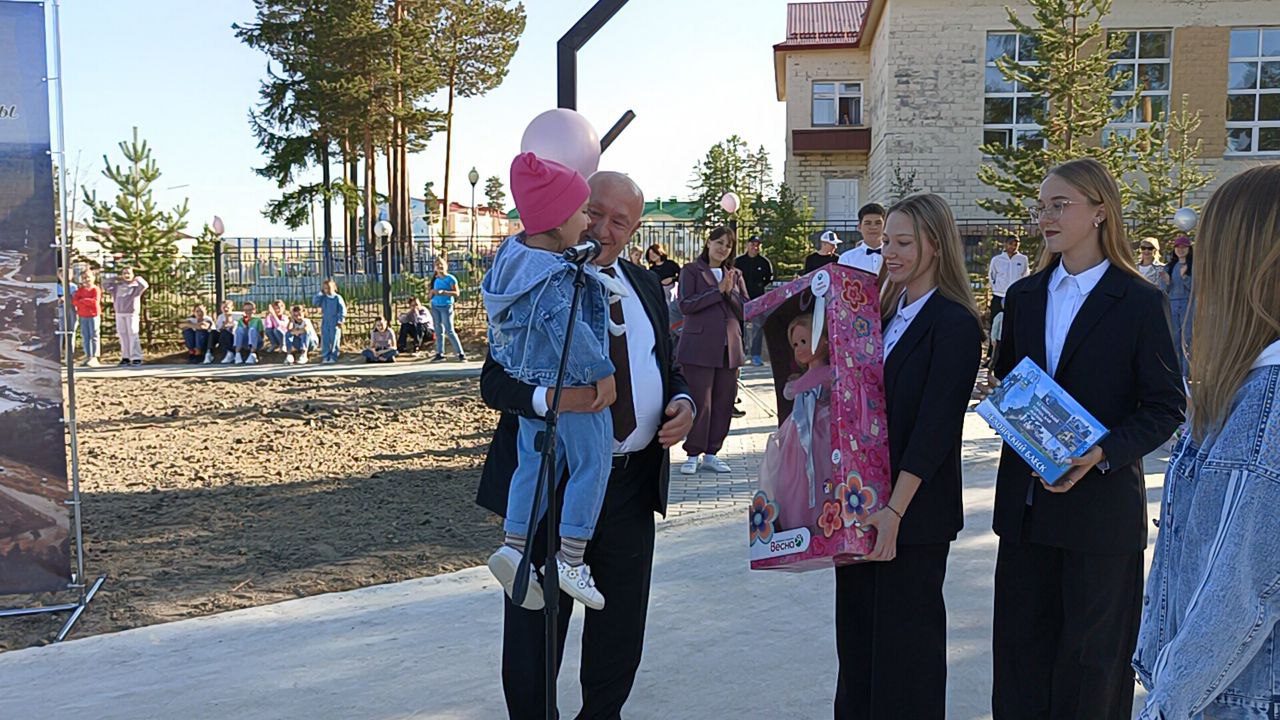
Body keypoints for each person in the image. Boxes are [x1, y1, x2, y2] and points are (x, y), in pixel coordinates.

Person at [476, 170, 694, 719]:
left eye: (620, 221)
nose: (602, 228)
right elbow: (494, 382)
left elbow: (666, 364)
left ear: (634, 230)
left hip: (630, 486)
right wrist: (554, 400)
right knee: (534, 633)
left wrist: (683, 402)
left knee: (620, 631)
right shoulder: (537, 278)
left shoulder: (644, 284)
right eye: (593, 212)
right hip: (553, 481)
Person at [984, 158, 1184, 720]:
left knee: (1092, 671)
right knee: (1021, 665)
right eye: (1041, 207)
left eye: (1059, 205)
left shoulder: (1139, 300)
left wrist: (1101, 453)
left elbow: (1165, 406)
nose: (1045, 217)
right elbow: (1010, 378)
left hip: (1100, 516)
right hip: (1026, 512)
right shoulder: (1024, 295)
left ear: (1100, 212)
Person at [1132, 164, 1280, 720]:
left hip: (1236, 698)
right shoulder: (1250, 388)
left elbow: (1234, 598)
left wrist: (1163, 707)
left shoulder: (1267, 402)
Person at [833, 193, 982, 719]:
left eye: (903, 243)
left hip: (911, 515)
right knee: (858, 651)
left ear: (935, 245)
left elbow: (935, 429)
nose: (889, 253)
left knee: (906, 657)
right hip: (861, 505)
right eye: (887, 242)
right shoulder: (878, 311)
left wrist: (895, 511)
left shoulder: (955, 323)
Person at [483, 152, 627, 613]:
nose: (588, 223)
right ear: (557, 220)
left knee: (534, 465)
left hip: (532, 376)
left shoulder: (515, 261)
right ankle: (572, 558)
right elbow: (567, 328)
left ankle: (514, 545)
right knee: (591, 463)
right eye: (583, 212)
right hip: (570, 381)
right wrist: (601, 370)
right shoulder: (551, 279)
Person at [677, 226, 748, 475]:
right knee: (701, 401)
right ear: (708, 242)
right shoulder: (690, 270)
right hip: (699, 346)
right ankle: (692, 453)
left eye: (728, 245)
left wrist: (730, 293)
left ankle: (711, 453)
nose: (723, 248)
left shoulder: (736, 275)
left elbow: (746, 309)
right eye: (719, 242)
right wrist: (716, 291)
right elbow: (686, 305)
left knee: (723, 402)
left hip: (730, 347)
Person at [758, 313, 834, 530]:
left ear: (824, 340)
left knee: (821, 473)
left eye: (804, 341)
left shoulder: (829, 374)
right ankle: (800, 520)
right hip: (797, 434)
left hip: (821, 432)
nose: (799, 348)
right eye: (795, 344)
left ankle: (824, 517)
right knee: (794, 477)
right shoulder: (800, 381)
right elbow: (792, 392)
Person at [985, 235, 1030, 360]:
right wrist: (996, 288)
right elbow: (992, 275)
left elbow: (1025, 275)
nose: (1013, 247)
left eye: (1015, 244)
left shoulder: (1023, 259)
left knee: (1013, 324)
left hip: (1015, 297)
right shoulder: (997, 260)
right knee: (995, 325)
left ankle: (1010, 354)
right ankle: (992, 356)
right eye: (1010, 244)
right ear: (1005, 244)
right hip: (999, 296)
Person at [735, 235, 774, 366]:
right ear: (747, 245)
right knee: (739, 326)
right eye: (752, 244)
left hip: (758, 299)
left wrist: (759, 287)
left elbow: (769, 278)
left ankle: (756, 355)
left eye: (757, 245)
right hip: (740, 299)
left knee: (758, 327)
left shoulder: (764, 262)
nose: (755, 247)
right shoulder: (739, 262)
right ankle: (740, 353)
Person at [1163, 234, 1194, 377]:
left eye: (1184, 247)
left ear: (1189, 249)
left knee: (1186, 338)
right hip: (1172, 304)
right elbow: (1163, 290)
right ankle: (1176, 373)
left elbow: (1195, 288)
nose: (1180, 250)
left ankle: (1186, 373)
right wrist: (1167, 282)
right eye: (1177, 247)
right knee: (1174, 338)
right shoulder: (1169, 267)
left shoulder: (1193, 266)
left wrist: (1185, 277)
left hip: (1188, 304)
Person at [105, 266, 148, 366]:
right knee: (123, 335)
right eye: (124, 273)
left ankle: (136, 357)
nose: (126, 275)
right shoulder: (117, 286)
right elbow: (105, 283)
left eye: (128, 273)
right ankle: (126, 357)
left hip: (131, 313)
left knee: (133, 334)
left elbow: (145, 285)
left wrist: (137, 278)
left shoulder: (136, 287)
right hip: (120, 313)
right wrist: (115, 278)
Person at [429, 257, 465, 362]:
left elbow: (457, 293)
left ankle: (461, 354)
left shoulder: (450, 278)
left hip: (446, 306)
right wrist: (432, 293)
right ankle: (440, 353)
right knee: (438, 330)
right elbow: (430, 294)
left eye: (441, 264)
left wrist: (444, 292)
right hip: (435, 306)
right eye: (437, 265)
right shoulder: (435, 279)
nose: (439, 266)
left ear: (446, 266)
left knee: (449, 330)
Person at [838, 202, 887, 274]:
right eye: (868, 223)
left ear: (885, 226)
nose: (873, 227)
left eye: (878, 223)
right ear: (859, 227)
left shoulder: (894, 256)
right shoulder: (847, 259)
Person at [71, 268, 102, 368]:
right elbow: (75, 301)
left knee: (94, 335)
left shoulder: (95, 289)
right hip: (83, 315)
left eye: (88, 277)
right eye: (84, 278)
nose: (86, 280)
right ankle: (87, 355)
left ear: (93, 277)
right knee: (85, 336)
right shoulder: (80, 290)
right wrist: (84, 301)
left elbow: (94, 302)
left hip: (93, 315)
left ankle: (94, 356)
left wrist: (83, 300)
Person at [313, 278, 347, 364]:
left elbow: (342, 310)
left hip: (335, 321)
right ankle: (326, 356)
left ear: (334, 288)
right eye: (325, 288)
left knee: (334, 338)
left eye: (329, 288)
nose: (327, 290)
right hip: (325, 320)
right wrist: (320, 294)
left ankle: (334, 356)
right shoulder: (323, 298)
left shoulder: (337, 298)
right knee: (325, 339)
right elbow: (315, 302)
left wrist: (341, 320)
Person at [228, 301, 264, 365]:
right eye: (246, 310)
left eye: (250, 310)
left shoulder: (257, 320)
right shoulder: (241, 320)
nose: (248, 312)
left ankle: (252, 353)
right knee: (239, 329)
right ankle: (237, 353)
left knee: (252, 329)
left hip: (256, 341)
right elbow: (239, 333)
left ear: (254, 310)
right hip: (245, 341)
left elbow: (261, 333)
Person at [213, 300, 237, 364]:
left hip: (234, 335)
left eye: (227, 307)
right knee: (222, 334)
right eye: (223, 307)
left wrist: (230, 323)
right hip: (224, 335)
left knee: (225, 334)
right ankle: (228, 353)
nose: (225, 309)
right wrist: (225, 324)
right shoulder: (220, 317)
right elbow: (219, 329)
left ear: (232, 307)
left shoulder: (237, 315)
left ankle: (230, 353)